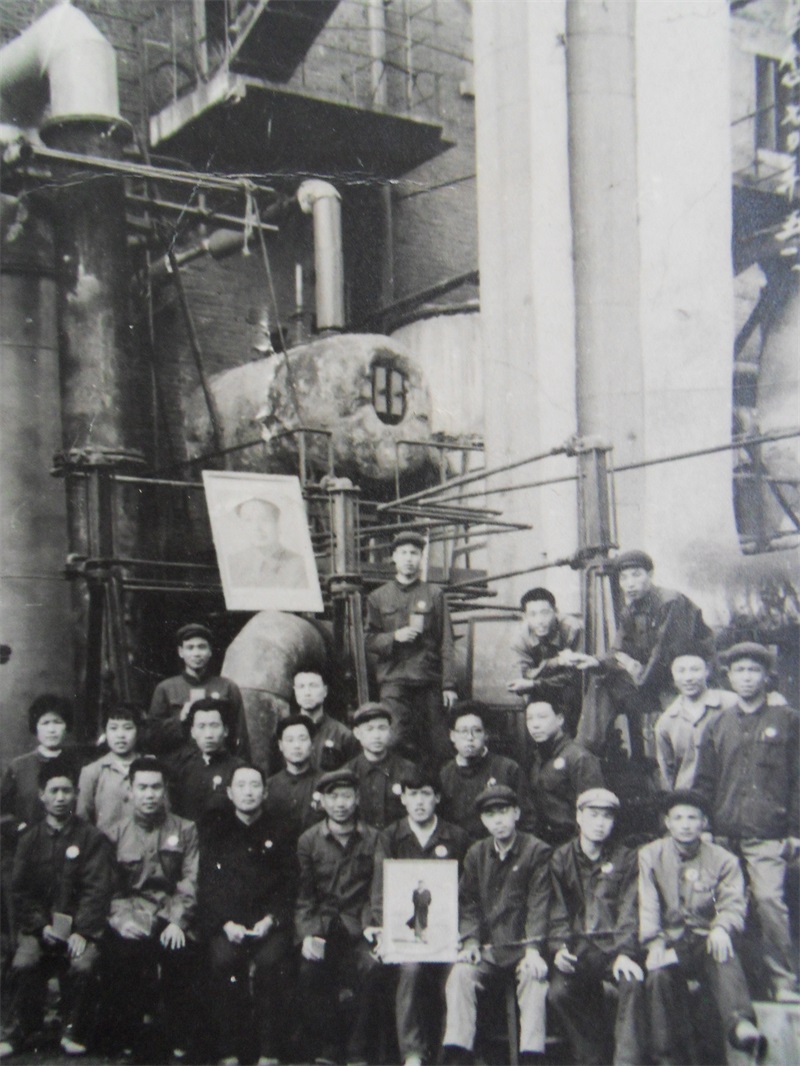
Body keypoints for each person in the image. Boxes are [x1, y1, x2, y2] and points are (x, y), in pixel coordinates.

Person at [694, 642, 800, 1002]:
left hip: (767, 833)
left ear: (767, 676)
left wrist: (795, 830)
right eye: (739, 670)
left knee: (769, 901)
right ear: (728, 676)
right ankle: (726, 985)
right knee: (717, 906)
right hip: (724, 835)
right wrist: (705, 828)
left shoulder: (788, 721)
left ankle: (783, 979)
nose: (746, 677)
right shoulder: (718, 724)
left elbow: (798, 780)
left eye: (754, 670)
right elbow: (704, 781)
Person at [639, 790, 767, 1064]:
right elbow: (648, 902)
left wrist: (722, 927)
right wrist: (653, 941)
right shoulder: (650, 855)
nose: (685, 825)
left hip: (704, 941)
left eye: (692, 818)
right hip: (668, 942)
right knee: (658, 977)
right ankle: (665, 1058)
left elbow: (733, 903)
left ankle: (740, 1022)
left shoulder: (723, 859)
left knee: (723, 950)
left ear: (704, 822)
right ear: (667, 822)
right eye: (678, 818)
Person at [1, 760, 114, 1060]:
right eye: (54, 791)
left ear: (76, 794)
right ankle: (20, 1031)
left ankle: (74, 1031)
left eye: (66, 791)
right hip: (40, 928)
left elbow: (97, 890)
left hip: (79, 928)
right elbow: (20, 892)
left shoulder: (91, 838)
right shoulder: (29, 840)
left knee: (83, 965)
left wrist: (83, 931)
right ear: (42, 795)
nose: (61, 797)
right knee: (24, 963)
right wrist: (41, 927)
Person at [442, 785, 550, 1065]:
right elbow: (468, 903)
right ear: (482, 820)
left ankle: (531, 1056)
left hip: (523, 948)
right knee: (460, 975)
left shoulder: (536, 851)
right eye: (490, 815)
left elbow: (539, 903)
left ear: (516, 813)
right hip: (489, 950)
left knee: (534, 979)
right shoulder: (476, 853)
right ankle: (458, 1054)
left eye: (503, 812)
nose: (498, 820)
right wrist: (470, 942)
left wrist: (534, 949)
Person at [199, 764, 297, 1066]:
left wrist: (271, 920)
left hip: (269, 924)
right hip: (229, 924)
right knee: (224, 962)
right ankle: (229, 1050)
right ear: (230, 793)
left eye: (255, 786)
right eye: (241, 786)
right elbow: (208, 885)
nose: (248, 792)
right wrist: (226, 924)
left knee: (271, 965)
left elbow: (290, 884)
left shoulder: (281, 830)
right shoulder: (216, 832)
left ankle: (269, 1051)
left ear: (265, 792)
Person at [103, 757, 200, 1060]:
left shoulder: (186, 829)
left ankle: (179, 1035)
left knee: (181, 955)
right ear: (130, 790)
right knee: (124, 955)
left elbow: (191, 880)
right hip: (133, 913)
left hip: (172, 912)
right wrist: (122, 920)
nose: (149, 795)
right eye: (142, 787)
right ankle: (129, 1035)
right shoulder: (114, 833)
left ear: (165, 789)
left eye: (156, 787)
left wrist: (178, 921)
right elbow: (111, 889)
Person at [371, 767, 469, 1066]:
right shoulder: (390, 836)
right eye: (412, 795)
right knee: (410, 969)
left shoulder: (456, 836)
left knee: (456, 972)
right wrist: (385, 931)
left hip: (446, 932)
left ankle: (448, 1056)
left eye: (426, 794)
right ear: (403, 799)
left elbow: (467, 892)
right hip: (407, 932)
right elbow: (381, 890)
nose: (419, 802)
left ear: (437, 797)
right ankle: (413, 1054)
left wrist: (460, 932)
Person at [576, 550, 712, 763]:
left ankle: (677, 766)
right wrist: (596, 661)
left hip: (680, 682)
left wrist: (637, 673)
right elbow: (620, 650)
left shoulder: (671, 602)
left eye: (636, 575)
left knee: (680, 740)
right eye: (624, 578)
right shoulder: (630, 610)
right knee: (602, 681)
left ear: (650, 575)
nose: (629, 583)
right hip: (651, 681)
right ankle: (585, 753)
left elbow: (665, 654)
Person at [294, 768, 386, 1065]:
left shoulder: (374, 839)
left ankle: (358, 1050)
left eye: (346, 796)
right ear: (321, 801)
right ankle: (329, 1047)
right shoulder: (309, 840)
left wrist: (373, 925)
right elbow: (304, 896)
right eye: (333, 797)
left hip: (359, 926)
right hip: (323, 925)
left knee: (372, 968)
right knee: (310, 970)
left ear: (357, 798)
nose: (340, 804)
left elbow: (377, 890)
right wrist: (308, 934)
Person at [547, 788, 645, 1066]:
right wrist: (559, 949)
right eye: (593, 815)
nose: (600, 823)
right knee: (559, 993)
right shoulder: (561, 858)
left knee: (632, 982)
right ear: (579, 817)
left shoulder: (626, 858)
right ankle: (591, 1057)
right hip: (579, 952)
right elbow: (557, 910)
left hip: (613, 951)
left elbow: (629, 910)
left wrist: (624, 953)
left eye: (607, 816)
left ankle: (626, 1061)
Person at [365, 530, 457, 767]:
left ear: (420, 558)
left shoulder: (435, 595)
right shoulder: (378, 597)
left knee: (439, 745)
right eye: (403, 553)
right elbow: (368, 639)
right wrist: (394, 637)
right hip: (394, 682)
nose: (408, 558)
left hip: (428, 681)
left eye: (414, 553)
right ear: (394, 557)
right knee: (394, 739)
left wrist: (448, 685)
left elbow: (446, 641)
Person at [147, 622, 250, 758]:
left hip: (220, 763)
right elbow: (153, 736)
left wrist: (241, 766)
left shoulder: (227, 687)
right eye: (190, 648)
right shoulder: (166, 688)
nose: (196, 653)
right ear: (181, 652)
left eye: (202, 647)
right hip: (179, 764)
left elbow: (240, 736)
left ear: (210, 651)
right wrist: (179, 719)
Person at [439, 702, 533, 841]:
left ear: (486, 734)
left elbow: (527, 819)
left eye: (477, 730)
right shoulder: (445, 774)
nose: (470, 737)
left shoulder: (507, 769)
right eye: (463, 731)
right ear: (452, 736)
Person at [654, 646, 739, 791]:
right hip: (689, 797)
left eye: (695, 670)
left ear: (707, 671)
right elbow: (667, 772)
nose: (688, 678)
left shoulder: (731, 703)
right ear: (673, 675)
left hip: (729, 793)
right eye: (681, 671)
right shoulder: (667, 721)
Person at [526, 700, 603, 847]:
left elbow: (594, 811)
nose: (535, 725)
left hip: (571, 845)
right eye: (529, 719)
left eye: (542, 717)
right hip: (543, 844)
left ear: (560, 719)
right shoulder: (537, 758)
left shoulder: (579, 757)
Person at [506, 588, 584, 735]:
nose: (540, 621)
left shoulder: (572, 628)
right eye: (533, 614)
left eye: (545, 613)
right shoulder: (520, 638)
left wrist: (534, 681)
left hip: (572, 693)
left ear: (556, 611)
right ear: (525, 617)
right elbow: (522, 680)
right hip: (538, 693)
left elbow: (575, 676)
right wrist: (555, 662)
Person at [165, 698, 244, 824]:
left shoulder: (239, 769)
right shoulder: (181, 767)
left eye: (214, 726)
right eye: (201, 726)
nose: (208, 734)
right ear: (192, 732)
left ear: (225, 731)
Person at [347, 703, 418, 830]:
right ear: (357, 733)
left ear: (390, 731)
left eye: (382, 728)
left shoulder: (408, 770)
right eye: (369, 729)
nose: (376, 735)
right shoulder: (348, 773)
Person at [77, 703, 143, 835]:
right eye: (113, 728)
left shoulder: (150, 766)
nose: (120, 735)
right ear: (105, 733)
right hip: (106, 844)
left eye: (128, 728)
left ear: (138, 731)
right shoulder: (92, 771)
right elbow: (82, 819)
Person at [265, 714, 323, 845]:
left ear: (312, 743)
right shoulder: (268, 786)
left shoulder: (325, 783)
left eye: (302, 739)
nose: (297, 745)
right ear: (280, 745)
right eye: (290, 740)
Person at [227, 497, 308, 588]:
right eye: (248, 520)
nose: (257, 528)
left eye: (265, 519)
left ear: (279, 524)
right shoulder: (232, 563)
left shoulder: (300, 566)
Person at [292, 666, 360, 772]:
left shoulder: (342, 734)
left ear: (325, 691)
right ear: (295, 691)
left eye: (313, 686)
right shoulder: (285, 733)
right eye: (301, 687)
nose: (307, 693)